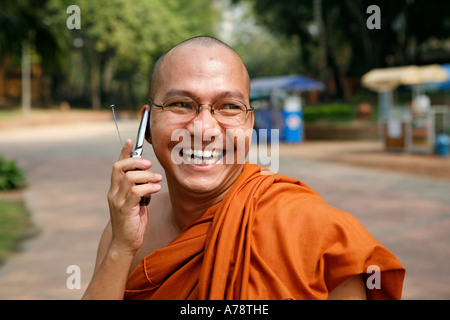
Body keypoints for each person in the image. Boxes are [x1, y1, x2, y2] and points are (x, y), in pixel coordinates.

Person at [82, 36, 405, 300]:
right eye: (180, 104)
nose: (204, 128)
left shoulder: (319, 233)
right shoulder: (122, 232)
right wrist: (122, 249)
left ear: (249, 126)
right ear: (147, 125)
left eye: (229, 107)